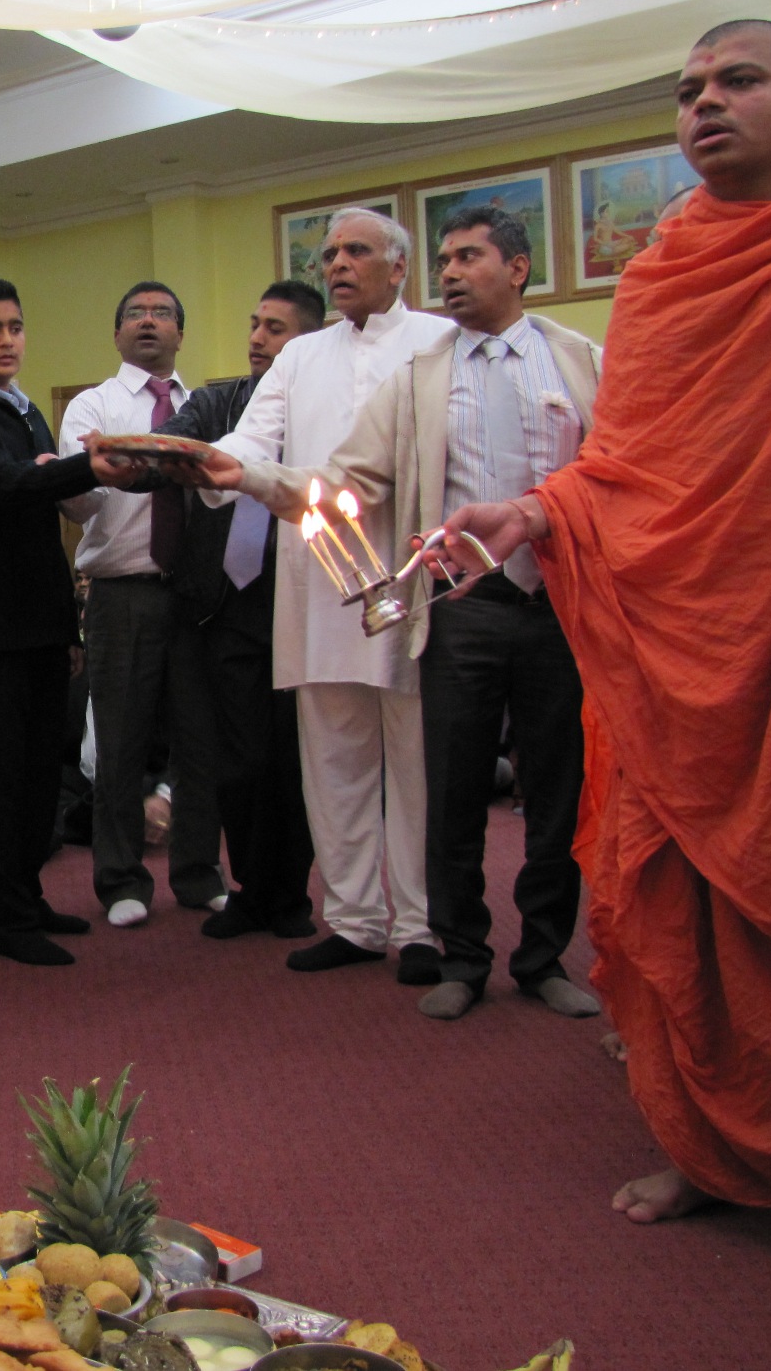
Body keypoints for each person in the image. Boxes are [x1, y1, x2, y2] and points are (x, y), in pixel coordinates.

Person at [431, 20, 771, 1299]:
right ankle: (702, 1145)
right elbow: (625, 465)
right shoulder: (657, 275)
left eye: (735, 82)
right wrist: (528, 512)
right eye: (685, 89)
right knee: (680, 906)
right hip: (675, 643)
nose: (703, 104)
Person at [188, 214, 603, 1019]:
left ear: (516, 268)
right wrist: (243, 474)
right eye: (329, 256)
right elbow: (334, 473)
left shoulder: (555, 357)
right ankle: (407, 938)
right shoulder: (368, 365)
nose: (452, 272)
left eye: (467, 257)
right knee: (394, 776)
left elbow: (613, 466)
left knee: (513, 783)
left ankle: (492, 945)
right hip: (394, 591)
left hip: (509, 597)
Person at [190, 210, 449, 979]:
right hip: (317, 576)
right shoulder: (301, 355)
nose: (337, 263)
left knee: (414, 759)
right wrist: (205, 459)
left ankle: (421, 926)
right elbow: (254, 437)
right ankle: (356, 921)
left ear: (398, 268)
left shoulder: (435, 341)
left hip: (406, 570)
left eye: (356, 251)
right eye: (329, 252)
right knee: (332, 759)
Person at [0, 278, 137, 962]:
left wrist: (66, 628)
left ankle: (29, 896)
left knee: (40, 772)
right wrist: (81, 465)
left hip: (41, 620)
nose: (7, 340)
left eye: (15, 327)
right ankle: (4, 920)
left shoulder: (25, 412)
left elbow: (47, 522)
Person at [150, 281, 324, 943]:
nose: (256, 338)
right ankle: (251, 889)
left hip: (304, 601)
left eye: (274, 329)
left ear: (307, 342)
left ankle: (293, 895)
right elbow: (170, 446)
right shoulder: (220, 400)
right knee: (241, 761)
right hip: (226, 604)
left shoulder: (326, 409)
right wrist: (128, 455)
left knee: (296, 759)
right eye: (254, 324)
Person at [57, 283, 214, 928]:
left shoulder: (205, 405)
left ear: (181, 332)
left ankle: (200, 873)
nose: (149, 323)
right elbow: (77, 501)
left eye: (163, 314)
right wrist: (102, 469)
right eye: (135, 315)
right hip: (122, 593)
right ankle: (120, 879)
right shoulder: (92, 405)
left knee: (200, 741)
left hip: (198, 593)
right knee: (119, 742)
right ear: (116, 333)